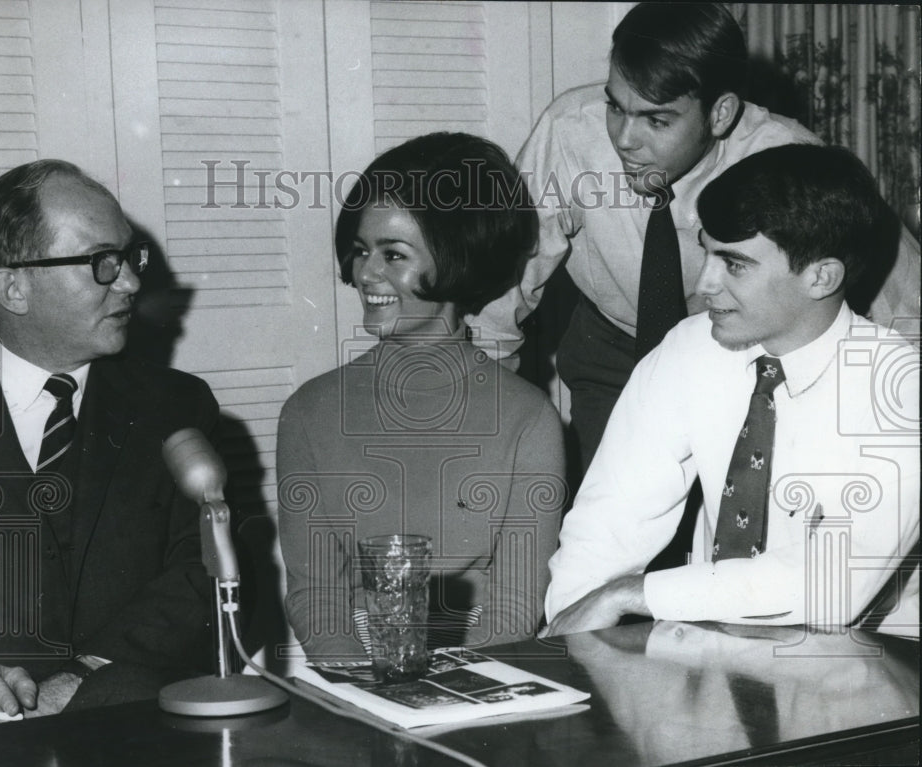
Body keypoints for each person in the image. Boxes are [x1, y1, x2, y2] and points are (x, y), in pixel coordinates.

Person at [468, 2, 921, 476]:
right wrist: (485, 413)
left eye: (656, 121)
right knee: (615, 514)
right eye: (616, 107)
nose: (624, 139)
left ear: (720, 113)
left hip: (749, 356)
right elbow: (501, 287)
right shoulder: (569, 133)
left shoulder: (787, 158)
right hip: (614, 349)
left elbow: (907, 306)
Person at [541, 144, 920, 637]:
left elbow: (829, 586)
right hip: (713, 653)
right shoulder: (689, 349)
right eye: (706, 251)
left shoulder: (898, 390)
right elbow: (608, 520)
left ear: (821, 276)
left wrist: (632, 594)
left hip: (873, 664)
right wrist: (574, 632)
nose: (703, 284)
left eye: (734, 264)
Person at [0, 160, 218, 728]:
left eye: (130, 257)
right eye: (101, 263)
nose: (130, 281)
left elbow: (199, 574)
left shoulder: (175, 405)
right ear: (14, 286)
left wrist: (83, 678)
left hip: (131, 725)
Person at [277, 133, 566, 661]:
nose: (367, 273)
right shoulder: (309, 412)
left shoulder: (529, 420)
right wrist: (363, 687)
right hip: (355, 666)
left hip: (484, 664)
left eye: (394, 255)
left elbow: (516, 607)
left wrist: (451, 694)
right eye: (362, 251)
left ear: (458, 259)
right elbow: (316, 595)